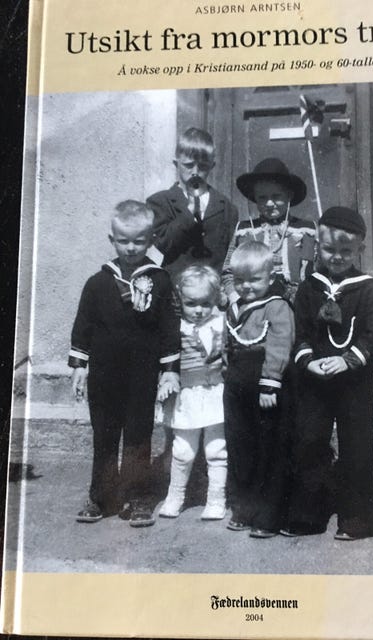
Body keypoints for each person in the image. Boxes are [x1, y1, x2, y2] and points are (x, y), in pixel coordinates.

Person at [69, 200, 180, 527]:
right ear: (112, 240)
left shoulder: (160, 281)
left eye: (139, 241)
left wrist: (169, 372)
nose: (131, 248)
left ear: (150, 241)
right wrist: (79, 366)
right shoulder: (97, 283)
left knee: (137, 436)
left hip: (141, 375)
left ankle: (138, 496)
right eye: (124, 241)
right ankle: (101, 496)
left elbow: (169, 328)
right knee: (104, 435)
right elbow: (83, 325)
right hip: (104, 375)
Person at [282, 206, 373, 540]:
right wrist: (307, 360)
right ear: (318, 247)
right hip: (315, 378)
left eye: (346, 251)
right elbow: (300, 332)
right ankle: (308, 513)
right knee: (310, 440)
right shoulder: (309, 288)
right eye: (329, 249)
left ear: (360, 250)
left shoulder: (368, 288)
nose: (337, 257)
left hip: (354, 379)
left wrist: (348, 360)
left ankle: (358, 518)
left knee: (356, 444)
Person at [223, 241, 295, 538]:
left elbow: (280, 345)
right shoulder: (235, 307)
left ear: (271, 277)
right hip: (237, 383)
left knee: (267, 447)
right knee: (240, 445)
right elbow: (228, 342)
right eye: (240, 280)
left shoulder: (276, 306)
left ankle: (268, 514)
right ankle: (244, 507)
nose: (247, 287)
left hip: (265, 385)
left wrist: (270, 383)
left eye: (254, 280)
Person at [157, 265, 227, 520]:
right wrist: (165, 379)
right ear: (180, 300)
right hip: (187, 396)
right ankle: (175, 496)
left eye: (205, 303)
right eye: (191, 303)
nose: (198, 310)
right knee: (183, 451)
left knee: (216, 449)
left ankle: (216, 499)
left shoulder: (222, 324)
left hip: (216, 394)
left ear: (215, 299)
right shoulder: (176, 328)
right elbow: (166, 360)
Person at [146, 127, 238, 281]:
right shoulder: (160, 202)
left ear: (212, 166)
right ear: (176, 164)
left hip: (214, 288)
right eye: (188, 165)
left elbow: (230, 254)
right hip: (176, 287)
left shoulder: (226, 206)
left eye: (203, 166)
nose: (195, 171)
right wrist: (187, 216)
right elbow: (164, 244)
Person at [223, 157, 317, 305]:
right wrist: (235, 299)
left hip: (297, 304)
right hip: (252, 303)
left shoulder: (306, 230)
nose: (269, 203)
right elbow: (228, 271)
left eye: (276, 196)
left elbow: (316, 271)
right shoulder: (244, 230)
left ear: (289, 196)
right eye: (262, 197)